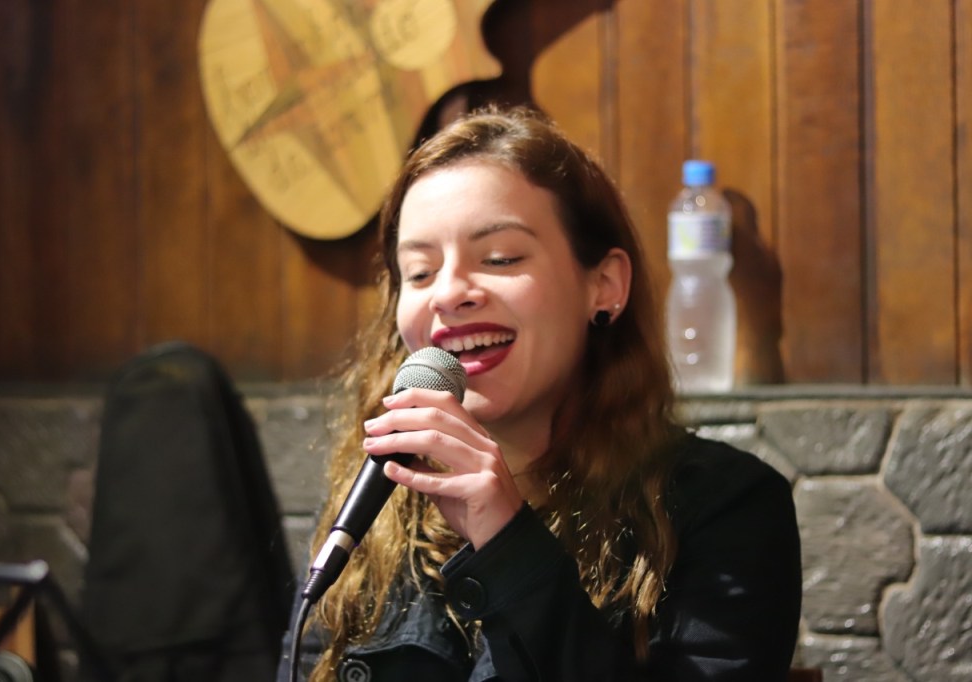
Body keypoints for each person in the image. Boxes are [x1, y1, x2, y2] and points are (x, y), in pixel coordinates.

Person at [278, 106, 801, 681]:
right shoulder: (368, 514)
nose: (449, 293)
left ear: (604, 285)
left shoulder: (729, 508)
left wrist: (509, 545)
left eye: (500, 258)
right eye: (420, 272)